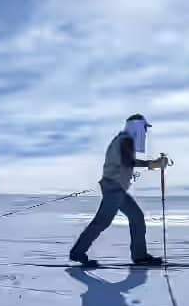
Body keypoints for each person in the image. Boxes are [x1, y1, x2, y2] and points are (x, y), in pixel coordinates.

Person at [70, 114, 169, 266]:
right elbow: (128, 161)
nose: (145, 131)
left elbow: (124, 164)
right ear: (136, 126)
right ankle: (77, 253)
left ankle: (139, 256)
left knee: (136, 217)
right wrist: (154, 164)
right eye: (144, 127)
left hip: (116, 188)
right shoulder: (126, 140)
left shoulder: (122, 139)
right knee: (103, 221)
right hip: (114, 188)